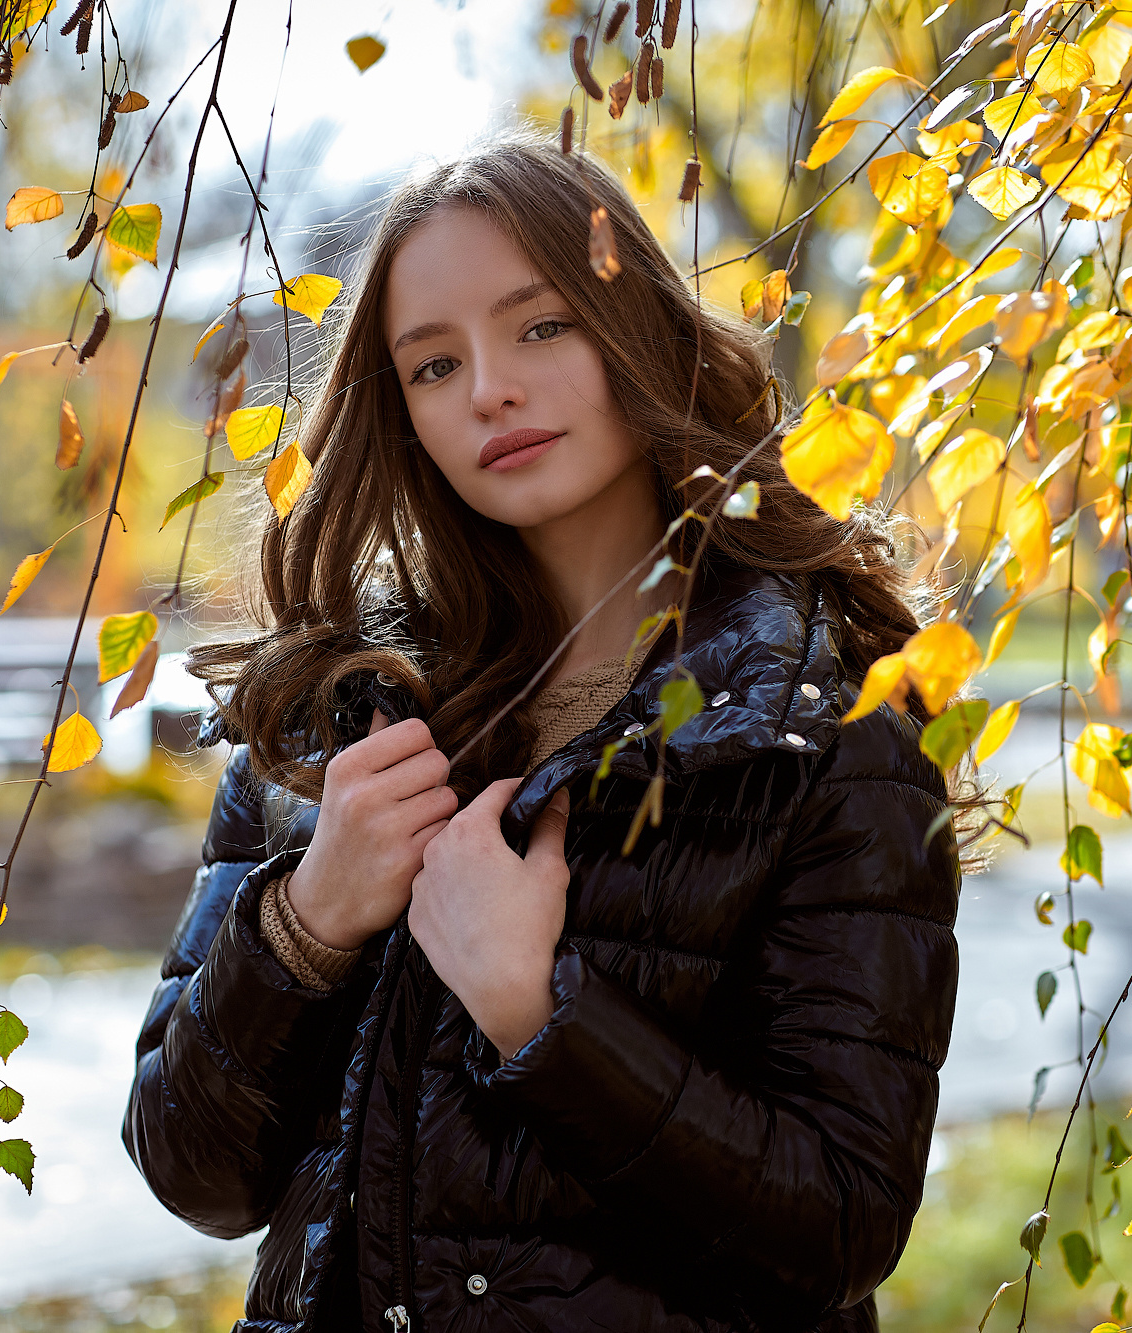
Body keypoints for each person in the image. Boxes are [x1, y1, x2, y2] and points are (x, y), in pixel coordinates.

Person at [123, 133, 963, 1332]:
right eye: (430, 365)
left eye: (540, 326)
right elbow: (190, 1169)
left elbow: (837, 1227)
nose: (486, 391)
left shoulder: (817, 719)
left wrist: (540, 1011)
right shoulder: (342, 715)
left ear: (639, 330)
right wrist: (308, 920)